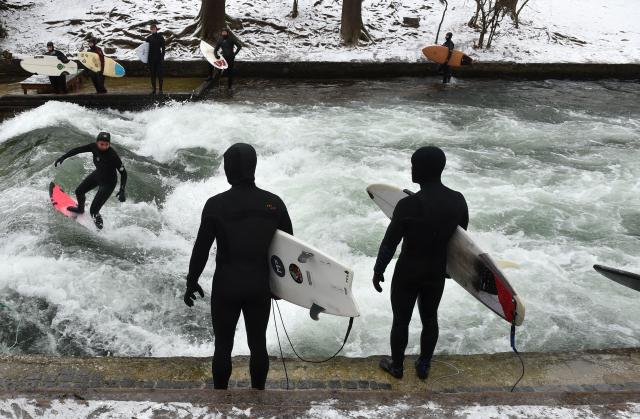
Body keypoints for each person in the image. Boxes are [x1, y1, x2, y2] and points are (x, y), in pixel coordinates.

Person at [184, 143, 293, 390]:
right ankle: (258, 396)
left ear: (229, 168)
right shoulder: (274, 203)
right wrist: (281, 287)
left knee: (223, 345)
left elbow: (201, 249)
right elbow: (287, 250)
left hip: (226, 284)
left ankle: (220, 399)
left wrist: (192, 281)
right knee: (258, 344)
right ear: (253, 166)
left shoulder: (215, 204)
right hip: (259, 284)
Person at [372, 146, 468, 380]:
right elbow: (460, 239)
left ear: (423, 169)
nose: (411, 169)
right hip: (436, 270)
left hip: (408, 270)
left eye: (414, 165)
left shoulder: (408, 205)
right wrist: (448, 270)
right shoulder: (457, 200)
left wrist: (378, 270)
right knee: (430, 317)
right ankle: (424, 365)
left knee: (401, 320)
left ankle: (397, 367)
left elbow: (389, 243)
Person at [54, 132, 127, 229]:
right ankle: (80, 209)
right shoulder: (93, 147)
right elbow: (78, 150)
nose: (104, 146)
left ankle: (101, 230)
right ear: (97, 143)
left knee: (94, 211)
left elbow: (124, 173)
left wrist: (122, 190)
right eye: (101, 144)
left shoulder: (113, 156)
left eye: (106, 144)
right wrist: (64, 157)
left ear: (109, 144)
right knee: (79, 191)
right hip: (98, 175)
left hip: (108, 183)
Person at [146, 22, 165, 95]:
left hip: (158, 59)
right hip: (151, 60)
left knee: (160, 75)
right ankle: (154, 90)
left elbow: (163, 48)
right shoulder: (148, 38)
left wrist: (162, 57)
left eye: (154, 29)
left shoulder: (160, 37)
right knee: (152, 75)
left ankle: (160, 90)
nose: (153, 30)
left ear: (156, 29)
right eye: (151, 29)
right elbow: (145, 50)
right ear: (150, 30)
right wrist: (146, 60)